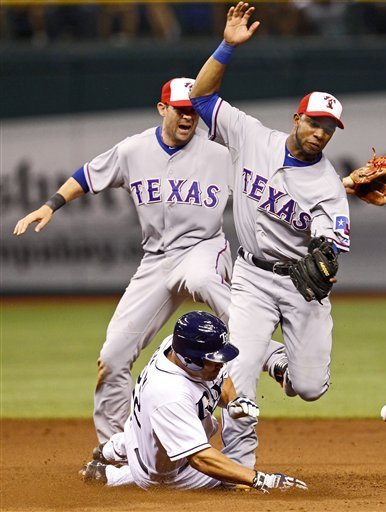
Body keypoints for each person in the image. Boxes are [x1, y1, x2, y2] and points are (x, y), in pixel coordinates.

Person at [13, 76, 288, 443]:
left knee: (203, 280)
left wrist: (341, 185)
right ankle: (112, 449)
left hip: (203, 248)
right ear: (163, 109)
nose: (188, 117)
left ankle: (269, 354)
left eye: (192, 110)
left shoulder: (221, 153)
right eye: (180, 109)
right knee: (112, 358)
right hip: (156, 261)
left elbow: (278, 182)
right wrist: (50, 206)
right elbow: (87, 176)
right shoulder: (133, 150)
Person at [190, 2, 351, 470]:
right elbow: (201, 98)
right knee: (236, 373)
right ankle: (241, 469)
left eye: (330, 127)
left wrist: (325, 262)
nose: (321, 132)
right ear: (297, 118)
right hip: (252, 279)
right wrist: (226, 47)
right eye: (316, 121)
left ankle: (278, 361)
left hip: (300, 289)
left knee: (308, 387)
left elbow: (329, 253)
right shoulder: (250, 136)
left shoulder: (326, 187)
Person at [79, 311, 308, 493]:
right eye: (214, 361)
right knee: (229, 478)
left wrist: (234, 401)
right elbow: (200, 458)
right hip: (166, 473)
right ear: (191, 360)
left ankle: (112, 449)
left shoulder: (176, 347)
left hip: (141, 433)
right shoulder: (169, 393)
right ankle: (112, 476)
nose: (220, 365)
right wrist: (260, 480)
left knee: (150, 434)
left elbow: (222, 376)